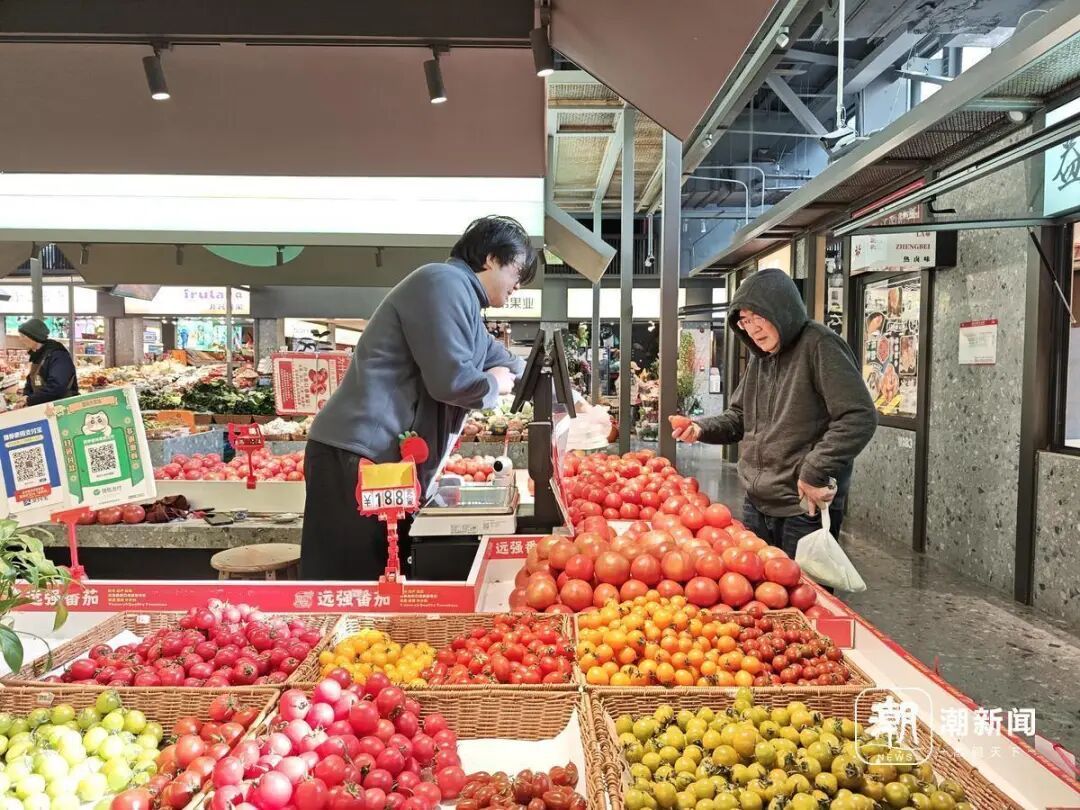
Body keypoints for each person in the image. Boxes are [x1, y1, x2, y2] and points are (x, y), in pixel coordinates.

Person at [301, 215, 536, 580]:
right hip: (357, 453)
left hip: (376, 457)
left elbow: (512, 364)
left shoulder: (467, 308)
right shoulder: (442, 283)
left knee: (377, 575)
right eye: (518, 272)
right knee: (352, 580)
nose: (518, 286)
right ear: (491, 258)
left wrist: (574, 403)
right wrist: (494, 385)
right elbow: (452, 381)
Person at [672, 268, 876, 558]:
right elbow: (740, 417)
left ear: (782, 310)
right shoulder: (761, 358)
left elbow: (859, 416)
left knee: (802, 598)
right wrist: (700, 428)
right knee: (760, 596)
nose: (752, 328)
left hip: (803, 506)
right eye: (744, 321)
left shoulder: (820, 345)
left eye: (759, 317)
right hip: (757, 504)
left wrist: (815, 469)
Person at [17, 318, 79, 406]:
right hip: (45, 408)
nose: (20, 339)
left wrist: (29, 399)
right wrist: (26, 395)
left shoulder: (58, 355)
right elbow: (30, 381)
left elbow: (57, 387)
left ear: (33, 337)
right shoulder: (36, 355)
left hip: (63, 408)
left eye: (23, 336)